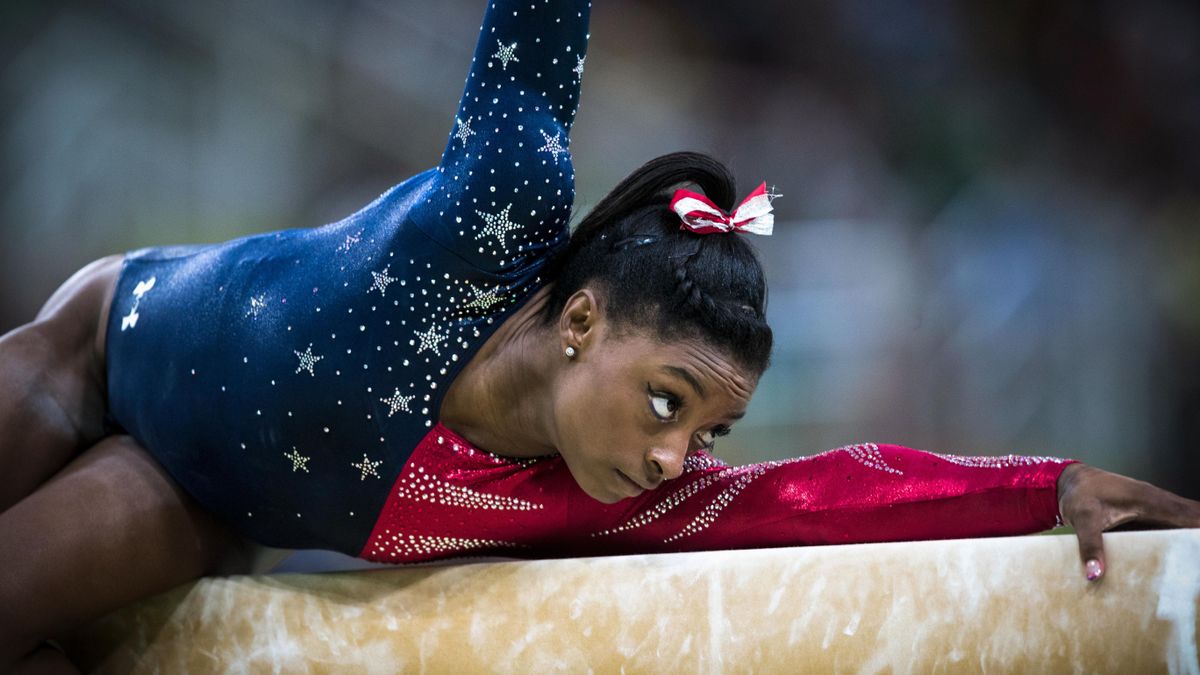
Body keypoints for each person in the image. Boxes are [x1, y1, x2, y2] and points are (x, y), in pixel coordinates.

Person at [1, 0, 1197, 671]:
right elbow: (535, 38)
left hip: (198, 494)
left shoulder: (625, 493)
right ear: (580, 320)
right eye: (671, 402)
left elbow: (835, 492)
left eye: (710, 430)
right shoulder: (495, 221)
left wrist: (1050, 487)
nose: (676, 458)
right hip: (100, 347)